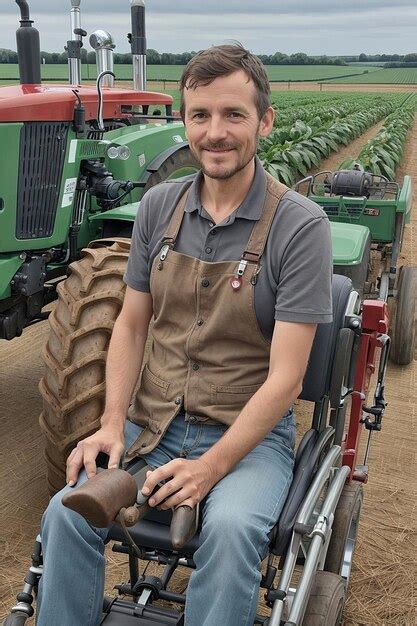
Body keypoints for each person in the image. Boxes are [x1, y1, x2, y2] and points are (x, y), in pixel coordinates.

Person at [36, 44, 333, 626]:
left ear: (265, 121)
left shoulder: (301, 228)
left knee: (230, 530)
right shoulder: (158, 207)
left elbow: (287, 377)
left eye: (233, 114)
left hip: (248, 437)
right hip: (155, 429)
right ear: (184, 122)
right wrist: (112, 425)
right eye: (200, 116)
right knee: (68, 512)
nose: (215, 133)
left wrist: (213, 467)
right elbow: (130, 321)